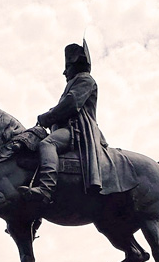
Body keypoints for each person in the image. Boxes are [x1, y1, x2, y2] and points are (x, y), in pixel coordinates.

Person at [19, 40, 108, 204]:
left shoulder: (85, 79)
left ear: (75, 64)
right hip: (69, 128)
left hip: (78, 130)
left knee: (47, 144)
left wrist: (48, 116)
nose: (64, 72)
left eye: (67, 66)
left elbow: (71, 104)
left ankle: (45, 188)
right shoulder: (77, 81)